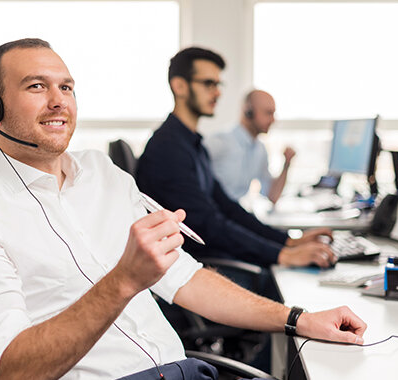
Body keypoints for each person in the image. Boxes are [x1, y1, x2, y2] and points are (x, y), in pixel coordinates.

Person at [0, 38, 366, 380]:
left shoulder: (102, 174)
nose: (58, 101)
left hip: (187, 369)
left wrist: (299, 319)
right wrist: (124, 279)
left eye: (66, 87)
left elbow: (185, 278)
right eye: (37, 86)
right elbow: (13, 370)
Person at [136, 47, 335, 270]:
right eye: (208, 84)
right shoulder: (168, 149)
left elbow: (228, 208)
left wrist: (287, 242)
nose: (218, 92)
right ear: (180, 86)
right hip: (195, 268)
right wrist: (283, 255)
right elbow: (208, 225)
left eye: (218, 85)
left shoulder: (193, 144)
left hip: (210, 256)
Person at [204, 90, 294, 203]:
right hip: (213, 213)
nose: (273, 120)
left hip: (235, 213)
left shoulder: (260, 149)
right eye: (268, 113)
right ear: (248, 111)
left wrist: (287, 164)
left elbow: (272, 195)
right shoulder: (220, 142)